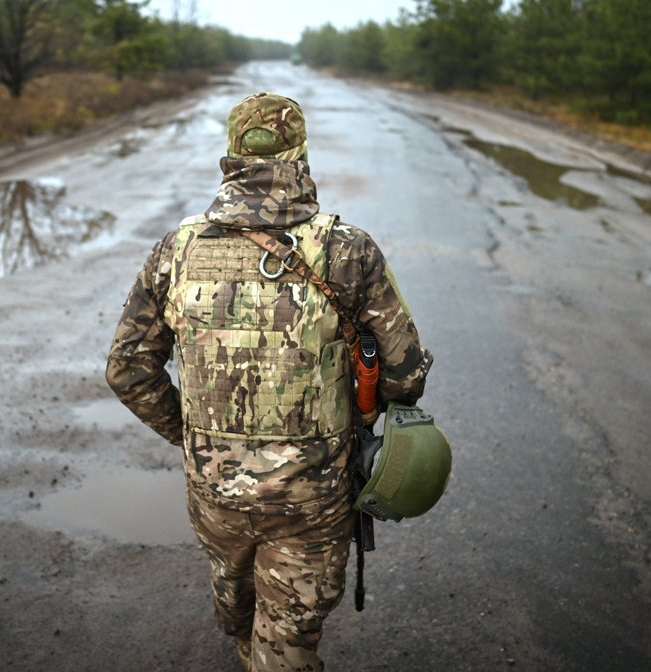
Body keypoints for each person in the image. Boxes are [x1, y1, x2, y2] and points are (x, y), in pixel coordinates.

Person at [106, 92, 433, 671]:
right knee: (288, 637)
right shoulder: (347, 251)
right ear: (300, 154)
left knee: (233, 595)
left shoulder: (177, 250)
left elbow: (128, 369)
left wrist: (193, 439)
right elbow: (405, 374)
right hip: (313, 497)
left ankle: (243, 640)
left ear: (232, 155)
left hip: (215, 491)